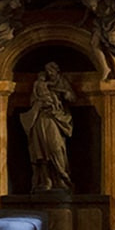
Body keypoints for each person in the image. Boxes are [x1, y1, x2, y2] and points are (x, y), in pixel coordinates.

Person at [21, 61, 76, 192]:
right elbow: (33, 100)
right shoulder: (40, 85)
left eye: (51, 70)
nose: (49, 73)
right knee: (42, 150)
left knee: (56, 147)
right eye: (47, 71)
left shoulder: (62, 82)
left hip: (57, 119)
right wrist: (41, 103)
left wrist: (65, 94)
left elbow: (72, 97)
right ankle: (46, 180)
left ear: (57, 71)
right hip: (41, 117)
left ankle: (62, 177)